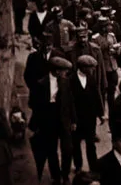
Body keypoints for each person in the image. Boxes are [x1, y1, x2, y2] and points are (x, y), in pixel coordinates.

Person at [28, 56, 76, 185]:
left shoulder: (66, 82)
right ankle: (56, 176)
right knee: (51, 150)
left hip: (64, 119)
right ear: (57, 70)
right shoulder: (41, 84)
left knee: (68, 148)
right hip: (48, 120)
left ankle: (65, 175)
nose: (66, 73)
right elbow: (32, 104)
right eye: (64, 70)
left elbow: (71, 102)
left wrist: (73, 121)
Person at [70, 55, 104, 173]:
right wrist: (72, 120)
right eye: (91, 67)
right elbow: (70, 102)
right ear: (83, 67)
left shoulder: (91, 78)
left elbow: (96, 96)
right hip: (77, 118)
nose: (93, 69)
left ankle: (93, 167)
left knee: (91, 144)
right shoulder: (71, 80)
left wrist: (101, 114)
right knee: (76, 143)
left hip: (90, 118)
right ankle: (78, 165)